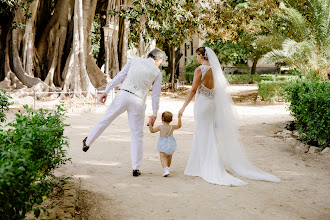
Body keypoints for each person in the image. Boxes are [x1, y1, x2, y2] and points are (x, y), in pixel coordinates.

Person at [178, 47, 280, 186]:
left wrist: (183, 107)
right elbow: (220, 89)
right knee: (210, 133)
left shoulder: (200, 69)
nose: (196, 58)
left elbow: (194, 90)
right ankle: (208, 163)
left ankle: (202, 166)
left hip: (202, 105)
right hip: (211, 104)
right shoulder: (216, 69)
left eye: (197, 55)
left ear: (202, 56)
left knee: (202, 132)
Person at [82, 48, 166, 177]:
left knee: (106, 119)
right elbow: (156, 96)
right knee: (137, 135)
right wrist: (154, 113)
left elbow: (120, 76)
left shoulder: (134, 60)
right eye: (162, 61)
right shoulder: (157, 73)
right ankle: (135, 168)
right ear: (158, 59)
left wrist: (106, 91)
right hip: (138, 101)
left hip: (123, 94)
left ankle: (88, 143)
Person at [149, 111, 181, 177]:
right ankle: (168, 168)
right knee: (169, 156)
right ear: (171, 120)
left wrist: (150, 121)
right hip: (171, 143)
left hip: (163, 144)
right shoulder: (172, 127)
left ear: (162, 119)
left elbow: (152, 130)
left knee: (163, 156)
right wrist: (179, 118)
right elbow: (179, 126)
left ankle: (166, 170)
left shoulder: (160, 127)